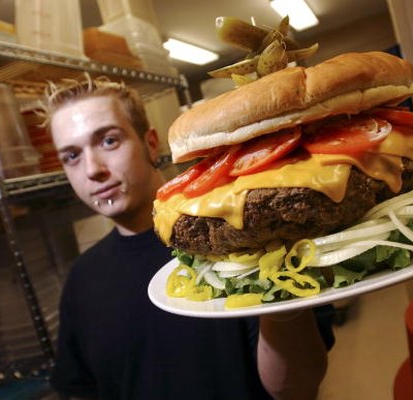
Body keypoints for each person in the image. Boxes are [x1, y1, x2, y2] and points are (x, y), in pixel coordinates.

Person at [42, 74, 335, 400]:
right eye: (72, 156)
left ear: (150, 144)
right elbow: (81, 391)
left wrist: (275, 290)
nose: (92, 169)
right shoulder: (82, 280)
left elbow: (296, 388)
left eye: (109, 141)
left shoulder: (234, 238)